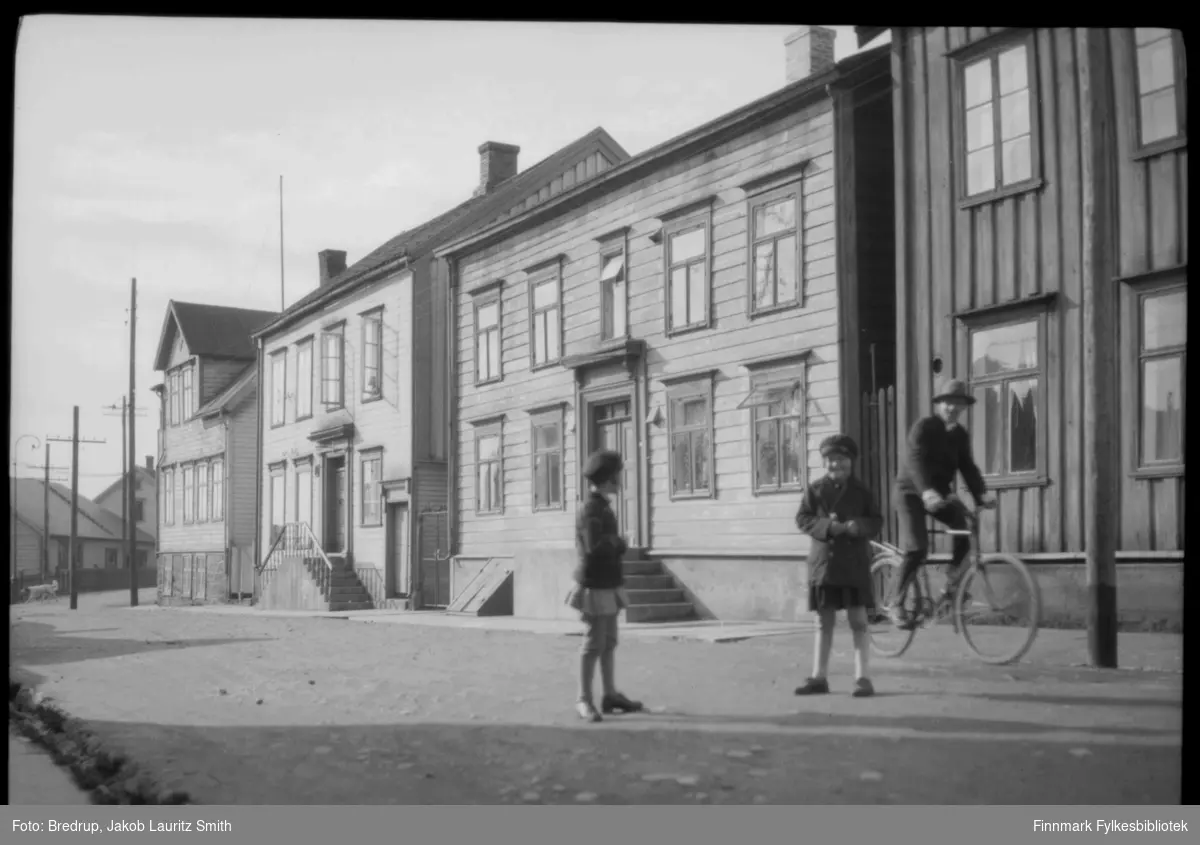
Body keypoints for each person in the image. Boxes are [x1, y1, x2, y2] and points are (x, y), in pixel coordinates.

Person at [891, 378, 994, 630]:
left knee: (964, 526)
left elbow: (967, 467)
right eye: (948, 403)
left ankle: (951, 588)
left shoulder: (960, 435)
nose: (952, 408)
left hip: (939, 494)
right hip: (910, 493)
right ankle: (896, 602)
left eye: (958, 404)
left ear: (964, 407)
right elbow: (914, 461)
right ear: (940, 405)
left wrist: (980, 498)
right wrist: (926, 491)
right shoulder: (924, 427)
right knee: (917, 547)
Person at [793, 434, 884, 698]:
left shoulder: (862, 492)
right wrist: (827, 527)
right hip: (825, 565)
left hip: (854, 564)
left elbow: (876, 520)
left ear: (851, 462)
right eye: (831, 461)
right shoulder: (816, 490)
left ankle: (862, 678)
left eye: (842, 460)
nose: (836, 466)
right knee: (823, 621)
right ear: (824, 463)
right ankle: (819, 677)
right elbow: (802, 518)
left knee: (858, 621)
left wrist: (859, 526)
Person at [565, 448, 644, 722]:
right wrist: (617, 543)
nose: (620, 481)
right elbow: (592, 547)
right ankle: (583, 700)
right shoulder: (591, 510)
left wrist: (614, 544)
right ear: (608, 479)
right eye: (617, 476)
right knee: (592, 643)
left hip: (607, 583)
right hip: (594, 585)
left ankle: (609, 694)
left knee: (609, 642)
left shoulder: (601, 507)